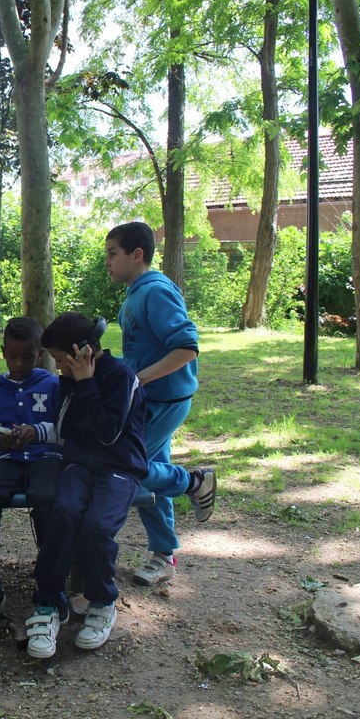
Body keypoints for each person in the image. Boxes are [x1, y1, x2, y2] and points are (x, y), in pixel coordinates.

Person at [25, 312, 148, 659]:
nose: (59, 367)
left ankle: (102, 601)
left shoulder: (122, 376)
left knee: (96, 527)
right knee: (62, 513)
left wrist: (86, 384)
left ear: (83, 353)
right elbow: (64, 428)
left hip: (120, 466)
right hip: (79, 464)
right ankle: (47, 605)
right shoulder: (69, 378)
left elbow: (109, 433)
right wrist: (74, 383)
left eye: (62, 359)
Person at [104, 221, 217, 587]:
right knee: (153, 467)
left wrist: (140, 379)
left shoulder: (156, 291)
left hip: (165, 398)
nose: (107, 262)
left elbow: (186, 347)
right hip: (147, 398)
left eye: (112, 254)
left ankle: (195, 481)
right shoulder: (136, 292)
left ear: (137, 255)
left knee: (128, 466)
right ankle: (164, 554)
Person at [0, 317, 63, 642]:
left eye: (28, 356)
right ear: (3, 353)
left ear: (40, 355)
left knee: (48, 499)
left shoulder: (53, 386)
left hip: (44, 459)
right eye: (13, 356)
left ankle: (51, 586)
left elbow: (66, 434)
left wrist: (38, 432)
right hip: (4, 461)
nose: (19, 364)